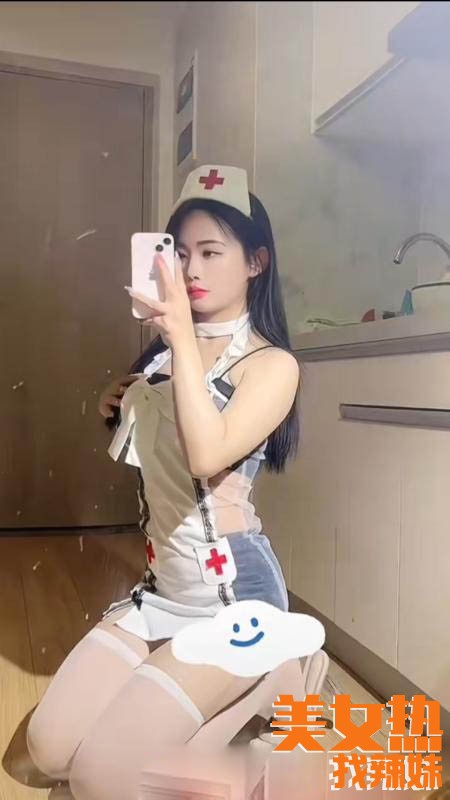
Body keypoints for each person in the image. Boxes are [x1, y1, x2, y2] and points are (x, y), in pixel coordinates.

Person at [25, 165, 301, 800]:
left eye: (211, 252)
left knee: (100, 779)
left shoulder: (270, 365)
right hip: (162, 592)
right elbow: (158, 458)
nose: (190, 268)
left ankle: (281, 676)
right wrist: (120, 401)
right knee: (49, 749)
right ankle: (184, 689)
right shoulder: (158, 358)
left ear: (255, 262)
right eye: (180, 252)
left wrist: (177, 337)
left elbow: (205, 457)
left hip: (234, 601)